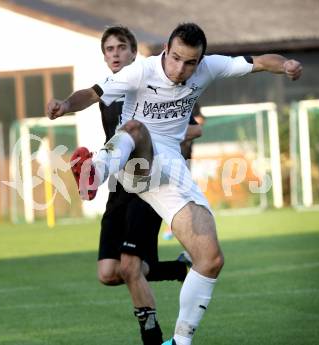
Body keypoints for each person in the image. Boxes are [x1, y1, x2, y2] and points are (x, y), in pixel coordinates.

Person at [47, 22, 302, 345]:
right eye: (175, 58)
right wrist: (65, 105)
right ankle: (94, 172)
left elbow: (259, 62)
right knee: (136, 128)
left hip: (169, 168)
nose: (180, 68)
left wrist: (287, 66)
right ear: (166, 50)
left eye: (190, 62)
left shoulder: (209, 68)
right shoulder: (141, 71)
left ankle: (180, 341)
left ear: (200, 60)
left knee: (210, 259)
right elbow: (93, 92)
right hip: (131, 159)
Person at [97, 26, 199, 345]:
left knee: (129, 267)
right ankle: (176, 269)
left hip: (148, 181)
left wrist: (155, 142)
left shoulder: (156, 84)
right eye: (109, 49)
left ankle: (153, 338)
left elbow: (194, 129)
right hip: (118, 185)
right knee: (108, 273)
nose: (115, 54)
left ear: (133, 54)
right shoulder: (107, 93)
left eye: (121, 48)